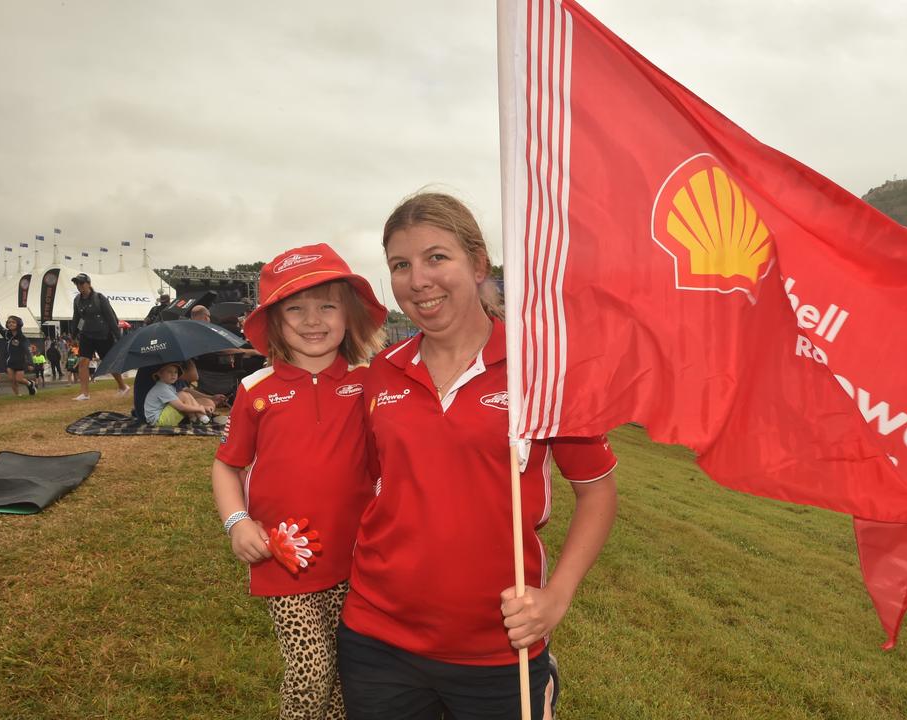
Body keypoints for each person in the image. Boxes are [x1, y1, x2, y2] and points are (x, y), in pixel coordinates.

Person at [338, 193, 618, 720]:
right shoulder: (381, 373)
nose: (418, 279)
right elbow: (379, 487)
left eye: (436, 257)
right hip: (377, 640)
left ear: (478, 262)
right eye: (401, 265)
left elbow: (597, 490)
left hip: (499, 648)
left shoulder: (541, 371)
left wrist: (555, 597)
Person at [212, 243, 386, 720]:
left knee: (348, 672)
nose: (313, 320)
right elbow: (227, 464)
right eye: (296, 309)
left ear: (349, 316)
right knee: (311, 671)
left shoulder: (369, 383)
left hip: (358, 560)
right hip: (283, 558)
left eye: (327, 306)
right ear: (273, 322)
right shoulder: (255, 391)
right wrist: (237, 522)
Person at [69, 273, 130, 401]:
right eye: (77, 283)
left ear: (89, 284)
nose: (79, 286)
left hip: (103, 335)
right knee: (83, 362)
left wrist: (119, 338)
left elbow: (111, 318)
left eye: (81, 283)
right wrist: (73, 334)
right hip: (86, 334)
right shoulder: (77, 300)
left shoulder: (100, 298)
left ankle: (123, 386)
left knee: (109, 363)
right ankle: (85, 394)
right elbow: (76, 318)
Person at [144, 362, 215, 426]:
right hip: (158, 421)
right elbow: (181, 407)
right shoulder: (161, 388)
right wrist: (199, 408)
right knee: (183, 395)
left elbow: (184, 401)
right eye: (169, 372)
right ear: (159, 374)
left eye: (176, 372)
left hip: (163, 416)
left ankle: (197, 419)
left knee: (187, 395)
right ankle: (201, 418)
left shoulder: (168, 386)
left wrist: (202, 407)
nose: (173, 374)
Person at [0, 305, 36, 396]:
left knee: (19, 379)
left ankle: (30, 384)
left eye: (13, 322)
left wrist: (30, 363)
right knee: (12, 380)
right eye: (9, 322)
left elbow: (28, 351)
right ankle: (18, 395)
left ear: (18, 324)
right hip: (10, 362)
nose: (11, 324)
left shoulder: (22, 338)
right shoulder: (7, 334)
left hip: (20, 362)